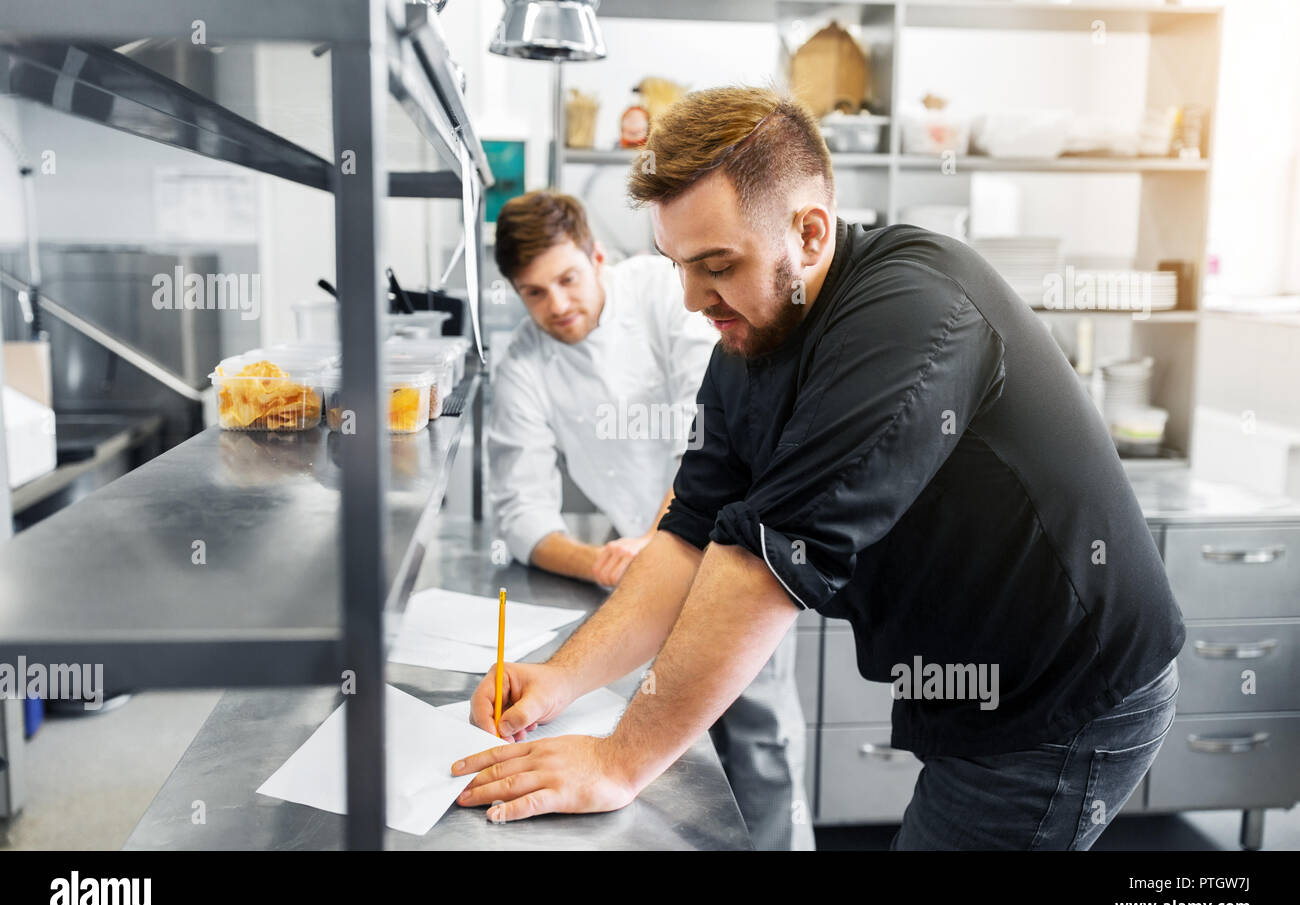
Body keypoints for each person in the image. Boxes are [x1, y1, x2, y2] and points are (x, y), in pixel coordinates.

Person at [453, 88, 1185, 850]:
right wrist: (563, 678)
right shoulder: (752, 333)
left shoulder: (911, 310)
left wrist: (618, 760)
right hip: (975, 681)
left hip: (1067, 688)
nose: (695, 298)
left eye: (717, 265)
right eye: (678, 265)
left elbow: (766, 561)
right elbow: (691, 533)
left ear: (809, 233)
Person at [486, 190, 814, 850]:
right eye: (534, 293)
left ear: (597, 256)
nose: (557, 305)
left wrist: (662, 537)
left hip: (741, 554)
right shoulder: (521, 365)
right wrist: (607, 559)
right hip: (640, 580)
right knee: (669, 765)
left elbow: (718, 438)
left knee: (761, 748)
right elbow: (519, 511)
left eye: (568, 279)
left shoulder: (665, 295)